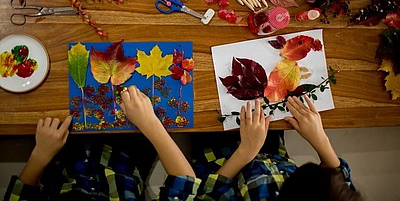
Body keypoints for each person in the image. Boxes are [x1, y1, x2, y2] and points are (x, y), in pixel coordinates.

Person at [4, 85, 198, 200]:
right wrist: (151, 125)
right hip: (129, 156)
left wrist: (40, 154)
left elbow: (21, 195)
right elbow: (185, 185)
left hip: (60, 154)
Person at [177, 96, 363, 200]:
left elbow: (206, 196)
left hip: (221, 158)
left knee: (203, 102)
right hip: (271, 148)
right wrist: (320, 139)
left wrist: (246, 151)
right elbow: (342, 180)